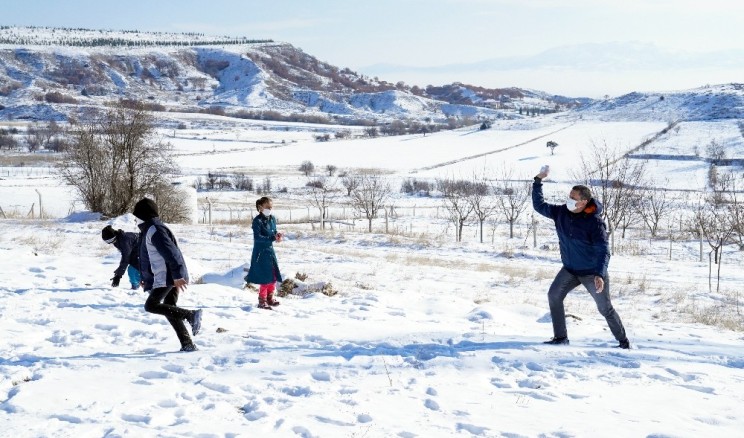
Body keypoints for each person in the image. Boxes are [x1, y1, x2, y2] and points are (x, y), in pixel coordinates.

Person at [532, 165, 630, 349]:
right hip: (570, 270)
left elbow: (604, 250)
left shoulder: (594, 223)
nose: (568, 199)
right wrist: (538, 181)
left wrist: (600, 274)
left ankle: (623, 342)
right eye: (569, 196)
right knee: (554, 296)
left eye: (572, 198)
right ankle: (561, 338)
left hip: (592, 273)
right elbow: (539, 206)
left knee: (605, 308)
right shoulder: (561, 212)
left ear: (583, 202)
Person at [133, 197, 203, 352]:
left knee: (151, 305)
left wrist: (177, 275)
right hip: (165, 275)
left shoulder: (155, 230)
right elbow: (147, 257)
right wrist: (146, 279)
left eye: (136, 216)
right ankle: (187, 344)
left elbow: (171, 253)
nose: (135, 220)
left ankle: (191, 315)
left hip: (167, 276)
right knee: (170, 308)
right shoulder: (150, 230)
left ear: (143, 215)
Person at [245, 196, 284, 309]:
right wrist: (272, 238)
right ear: (260, 207)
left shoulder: (272, 219)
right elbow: (257, 238)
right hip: (260, 252)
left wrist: (278, 236)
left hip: (270, 251)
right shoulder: (257, 221)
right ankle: (262, 301)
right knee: (265, 277)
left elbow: (274, 232)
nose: (270, 209)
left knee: (273, 276)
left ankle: (270, 298)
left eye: (271, 207)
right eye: (268, 207)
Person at [101, 225, 141, 290]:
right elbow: (126, 257)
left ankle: (138, 285)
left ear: (114, 236)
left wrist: (118, 275)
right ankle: (137, 285)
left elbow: (126, 258)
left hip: (146, 251)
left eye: (110, 240)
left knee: (133, 269)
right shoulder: (117, 240)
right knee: (133, 267)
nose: (110, 243)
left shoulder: (125, 241)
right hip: (136, 252)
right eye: (107, 242)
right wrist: (118, 273)